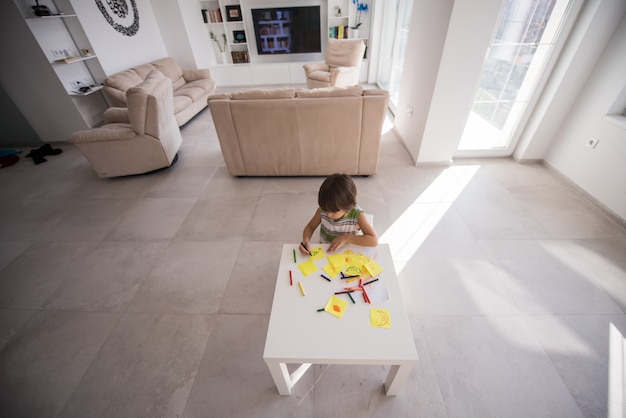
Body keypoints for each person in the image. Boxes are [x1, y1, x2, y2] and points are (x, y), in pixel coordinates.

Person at [300, 173, 377, 254]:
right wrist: (306, 240)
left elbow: (374, 240)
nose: (328, 215)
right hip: (326, 250)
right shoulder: (322, 210)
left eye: (333, 212)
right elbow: (310, 227)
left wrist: (347, 238)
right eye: (326, 211)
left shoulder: (357, 215)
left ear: (347, 208)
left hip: (347, 253)